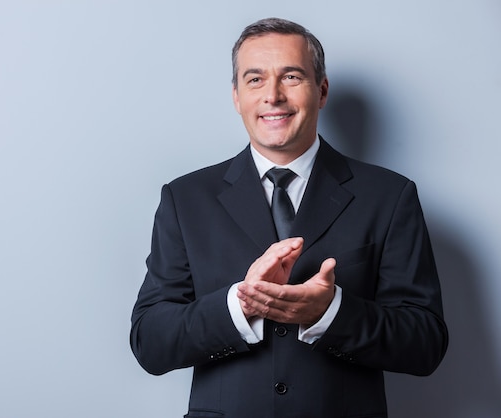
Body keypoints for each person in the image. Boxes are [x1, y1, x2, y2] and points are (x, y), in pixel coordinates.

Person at [130, 17, 448, 418]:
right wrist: (240, 305)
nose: (273, 96)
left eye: (292, 76)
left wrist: (330, 312)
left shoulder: (389, 196)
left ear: (322, 90)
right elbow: (150, 342)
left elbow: (426, 344)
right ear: (236, 96)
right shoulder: (185, 198)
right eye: (255, 79)